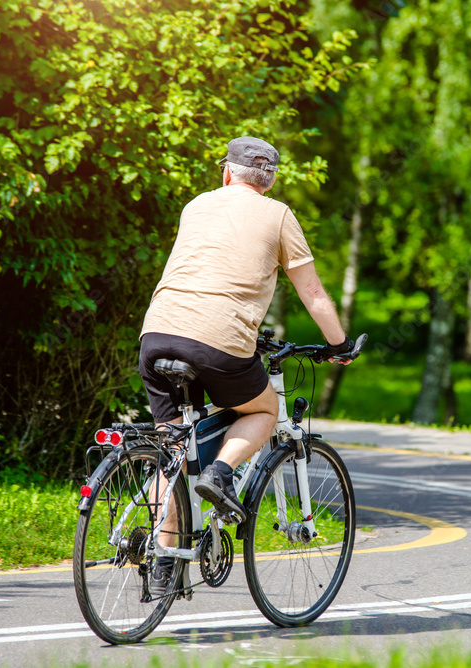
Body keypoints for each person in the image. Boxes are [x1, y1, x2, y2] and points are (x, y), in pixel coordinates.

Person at [138, 137, 353, 592]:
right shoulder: (278, 215)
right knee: (262, 410)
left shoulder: (196, 205)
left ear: (226, 173)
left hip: (156, 334)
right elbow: (311, 292)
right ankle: (221, 472)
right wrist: (340, 344)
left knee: (175, 447)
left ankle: (163, 560)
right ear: (270, 180)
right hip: (218, 340)